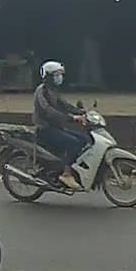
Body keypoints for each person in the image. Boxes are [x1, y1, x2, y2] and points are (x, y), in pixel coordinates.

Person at [33, 61, 88, 190]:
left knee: (84, 139)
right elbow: (49, 111)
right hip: (45, 129)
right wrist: (71, 118)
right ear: (48, 77)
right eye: (56, 75)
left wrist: (82, 112)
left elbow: (65, 105)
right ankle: (66, 174)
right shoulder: (42, 91)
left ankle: (73, 169)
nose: (59, 78)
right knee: (73, 143)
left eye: (60, 75)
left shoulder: (54, 91)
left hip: (56, 128)